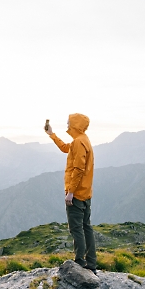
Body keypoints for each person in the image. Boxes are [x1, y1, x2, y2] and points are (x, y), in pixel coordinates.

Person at [45, 113, 96, 272]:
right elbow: (65, 148)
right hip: (86, 194)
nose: (67, 125)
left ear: (75, 125)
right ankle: (91, 264)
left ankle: (80, 263)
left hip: (77, 194)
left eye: (69, 123)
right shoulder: (82, 140)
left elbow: (79, 170)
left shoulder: (79, 142)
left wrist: (70, 192)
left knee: (76, 229)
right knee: (86, 227)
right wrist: (51, 134)